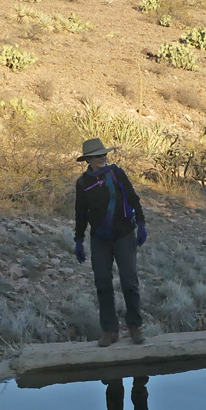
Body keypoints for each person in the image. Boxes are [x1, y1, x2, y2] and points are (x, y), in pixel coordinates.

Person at [74, 138, 147, 347]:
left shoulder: (116, 173)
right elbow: (80, 213)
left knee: (129, 282)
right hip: (99, 239)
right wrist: (78, 239)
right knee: (103, 284)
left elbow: (133, 199)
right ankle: (110, 330)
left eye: (104, 154)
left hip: (124, 235)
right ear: (88, 159)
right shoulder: (83, 183)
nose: (102, 157)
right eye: (98, 155)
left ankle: (134, 326)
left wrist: (141, 224)